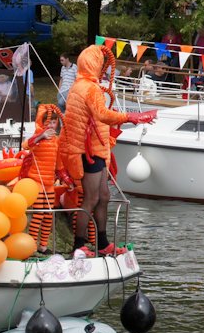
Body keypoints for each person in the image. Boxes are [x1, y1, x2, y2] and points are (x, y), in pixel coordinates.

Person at [57, 44, 156, 257]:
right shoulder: (89, 88)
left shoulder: (79, 85)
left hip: (94, 149)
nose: (103, 68)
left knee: (104, 196)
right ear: (95, 64)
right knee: (92, 198)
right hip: (89, 152)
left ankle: (102, 243)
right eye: (101, 64)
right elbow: (102, 115)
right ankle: (79, 245)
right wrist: (132, 117)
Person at [20, 104, 63, 254]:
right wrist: (41, 136)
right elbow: (25, 145)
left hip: (49, 182)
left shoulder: (56, 140)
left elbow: (58, 162)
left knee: (48, 215)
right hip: (36, 181)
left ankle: (43, 245)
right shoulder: (37, 136)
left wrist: (65, 177)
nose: (51, 125)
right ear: (42, 122)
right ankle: (31, 245)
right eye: (49, 122)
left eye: (53, 122)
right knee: (38, 214)